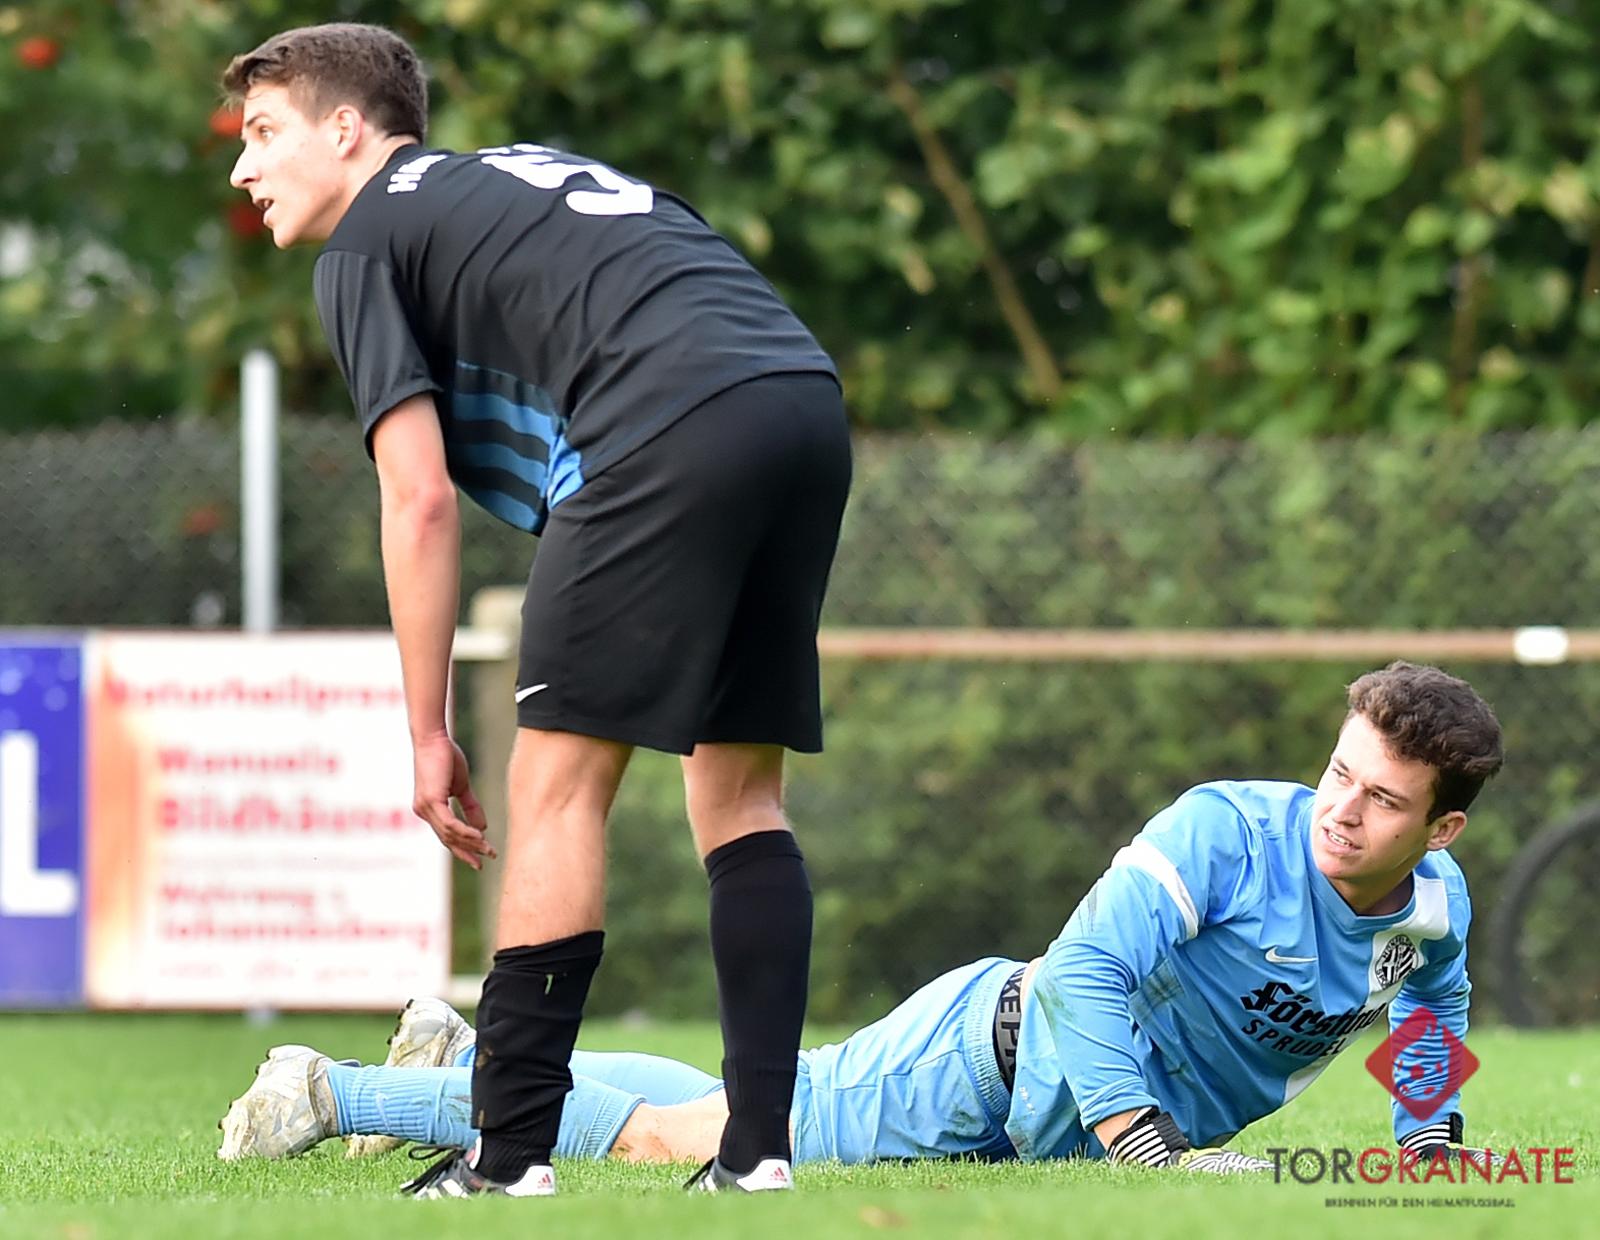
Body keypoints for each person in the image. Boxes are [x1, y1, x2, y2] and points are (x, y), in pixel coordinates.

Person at [222, 22, 852, 1197]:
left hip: (665, 422)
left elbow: (417, 500)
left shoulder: (365, 243)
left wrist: (426, 730)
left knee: (556, 788)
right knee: (738, 792)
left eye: (264, 132)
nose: (243, 167)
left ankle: (507, 1155)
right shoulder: (509, 179)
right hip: (801, 400)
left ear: (347, 130)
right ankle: (757, 1152)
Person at [219, 661, 1503, 1179]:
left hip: (1044, 1125)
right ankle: (326, 1090)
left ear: (1439, 830)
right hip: (979, 1062)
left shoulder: (1432, 912)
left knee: (722, 1098)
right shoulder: (1225, 831)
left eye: (1381, 800)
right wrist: (1149, 1151)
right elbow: (1085, 975)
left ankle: (460, 1059)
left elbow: (1431, 1008)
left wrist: (1431, 1146)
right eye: (1336, 771)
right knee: (679, 1141)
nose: (1339, 810)